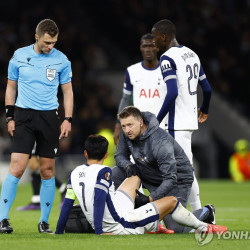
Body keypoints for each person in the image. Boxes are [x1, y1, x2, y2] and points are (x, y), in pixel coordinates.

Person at [55, 135, 227, 235]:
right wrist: (100, 232)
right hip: (121, 223)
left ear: (85, 153)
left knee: (135, 177)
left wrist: (58, 231)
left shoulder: (74, 173)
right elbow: (100, 199)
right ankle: (205, 226)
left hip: (116, 209)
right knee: (172, 201)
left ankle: (152, 219)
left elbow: (67, 204)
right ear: (107, 154)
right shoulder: (104, 172)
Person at [0, 19, 73, 234]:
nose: (51, 46)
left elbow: (67, 92)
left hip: (49, 118)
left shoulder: (61, 60)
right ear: (37, 37)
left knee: (47, 170)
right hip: (23, 116)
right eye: (48, 42)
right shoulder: (19, 56)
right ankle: (3, 219)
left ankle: (44, 222)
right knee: (17, 167)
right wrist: (10, 117)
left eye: (54, 42)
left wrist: (67, 119)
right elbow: (10, 88)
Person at [113, 106, 217, 233]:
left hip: (177, 180)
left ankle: (207, 211)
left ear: (140, 122)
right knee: (117, 172)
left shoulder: (160, 141)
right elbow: (120, 155)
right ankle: (129, 216)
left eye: (129, 125)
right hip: (150, 173)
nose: (127, 130)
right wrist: (128, 165)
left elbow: (170, 178)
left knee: (176, 229)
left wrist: (149, 199)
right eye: (123, 126)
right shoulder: (128, 133)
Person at [151, 19, 212, 212]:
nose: (154, 43)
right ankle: (194, 213)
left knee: (185, 170)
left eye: (154, 38)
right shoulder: (191, 54)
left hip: (175, 124)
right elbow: (208, 89)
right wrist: (205, 108)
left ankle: (201, 214)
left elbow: (172, 93)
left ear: (163, 37)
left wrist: (156, 121)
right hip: (188, 121)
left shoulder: (167, 58)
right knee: (181, 168)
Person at [113, 33, 167, 145]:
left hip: (163, 128)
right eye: (145, 46)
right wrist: (118, 125)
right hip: (139, 129)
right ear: (140, 48)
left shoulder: (167, 71)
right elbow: (126, 99)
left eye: (151, 46)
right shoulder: (132, 71)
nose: (148, 49)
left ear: (157, 47)